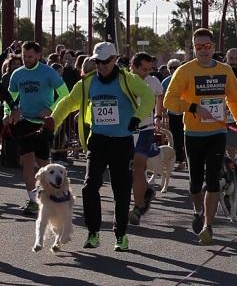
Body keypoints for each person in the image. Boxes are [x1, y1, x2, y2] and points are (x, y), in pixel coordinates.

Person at [47, 41, 154, 251]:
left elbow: (148, 97)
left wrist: (137, 117)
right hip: (98, 140)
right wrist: (53, 121)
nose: (102, 66)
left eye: (106, 61)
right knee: (89, 187)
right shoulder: (88, 83)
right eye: (98, 62)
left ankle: (121, 235)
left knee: (120, 189)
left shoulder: (127, 79)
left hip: (122, 142)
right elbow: (68, 102)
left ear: (115, 60)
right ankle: (93, 233)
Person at [164, 28, 237, 245]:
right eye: (199, 47)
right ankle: (197, 210)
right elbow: (169, 101)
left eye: (207, 46)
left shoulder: (224, 71)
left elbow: (235, 100)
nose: (203, 51)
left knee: (213, 180)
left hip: (217, 132)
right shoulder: (184, 71)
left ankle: (208, 226)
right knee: (195, 183)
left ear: (213, 47)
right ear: (194, 49)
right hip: (193, 133)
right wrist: (192, 106)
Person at [4, 41, 69, 215]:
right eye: (24, 56)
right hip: (25, 122)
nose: (26, 59)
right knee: (26, 161)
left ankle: (55, 194)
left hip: (43, 123)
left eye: (30, 56)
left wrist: (51, 109)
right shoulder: (17, 74)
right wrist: (9, 113)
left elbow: (65, 94)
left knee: (43, 163)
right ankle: (33, 200)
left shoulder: (48, 72)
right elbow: (10, 98)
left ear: (39, 55)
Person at [128, 52, 166, 226]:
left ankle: (137, 208)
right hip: (126, 130)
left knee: (138, 167)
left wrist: (158, 116)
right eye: (143, 69)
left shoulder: (153, 81)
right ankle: (146, 193)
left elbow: (159, 95)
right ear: (133, 66)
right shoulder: (125, 80)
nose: (147, 73)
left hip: (146, 128)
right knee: (126, 169)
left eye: (149, 69)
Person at [161, 59, 186, 171]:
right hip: (172, 113)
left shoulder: (185, 78)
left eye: (175, 67)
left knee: (187, 136)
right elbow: (161, 99)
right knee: (176, 137)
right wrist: (163, 113)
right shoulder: (165, 82)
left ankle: (188, 159)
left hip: (186, 112)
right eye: (170, 67)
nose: (173, 70)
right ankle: (180, 161)